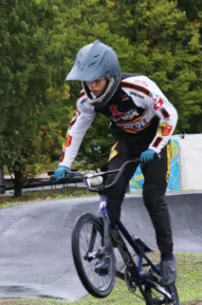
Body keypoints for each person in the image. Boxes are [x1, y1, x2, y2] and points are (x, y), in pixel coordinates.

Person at [53, 40, 178, 286]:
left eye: (97, 81)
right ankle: (107, 253)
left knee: (153, 197)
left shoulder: (140, 88)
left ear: (110, 77)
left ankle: (167, 257)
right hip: (125, 142)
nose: (92, 87)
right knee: (111, 189)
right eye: (87, 82)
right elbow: (77, 128)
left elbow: (169, 115)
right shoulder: (86, 99)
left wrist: (154, 147)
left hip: (155, 140)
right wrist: (64, 163)